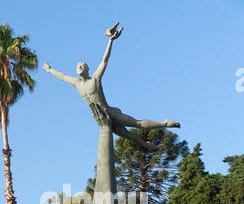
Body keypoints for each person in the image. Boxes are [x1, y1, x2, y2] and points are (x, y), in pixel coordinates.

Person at [43, 22, 180, 150]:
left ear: (88, 69)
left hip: (111, 113)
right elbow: (62, 76)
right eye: (78, 65)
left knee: (137, 124)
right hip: (102, 119)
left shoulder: (95, 79)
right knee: (129, 136)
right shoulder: (77, 83)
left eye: (83, 65)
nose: (80, 66)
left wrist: (110, 41)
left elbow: (105, 60)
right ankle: (148, 146)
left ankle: (164, 123)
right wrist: (50, 70)